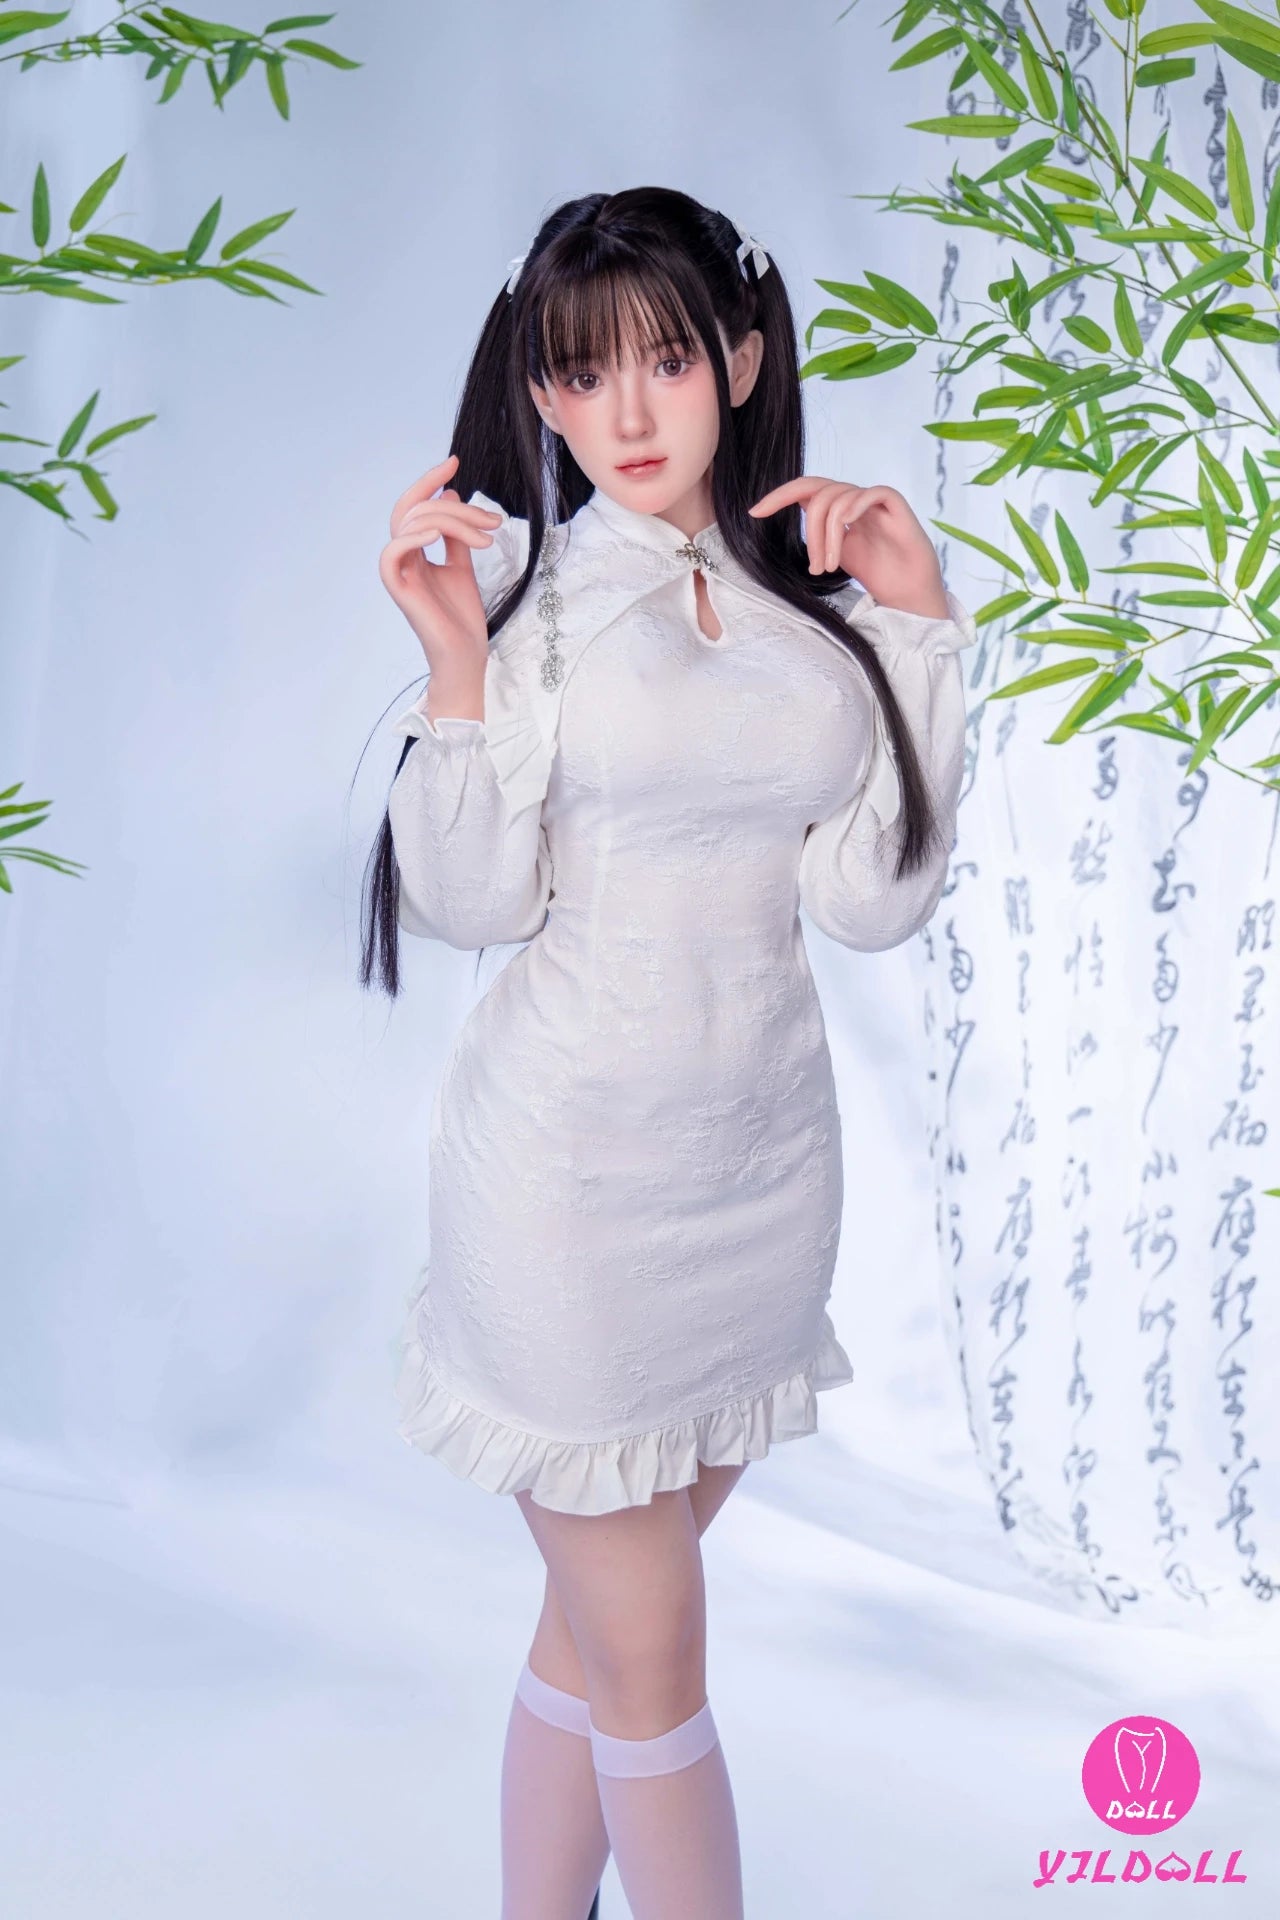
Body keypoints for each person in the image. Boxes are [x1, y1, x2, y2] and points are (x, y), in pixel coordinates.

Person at [361, 186, 976, 1919]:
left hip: (758, 1192)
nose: (628, 413)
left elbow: (869, 902)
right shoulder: (533, 618)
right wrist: (454, 666)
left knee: (597, 1639)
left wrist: (920, 630)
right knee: (655, 1668)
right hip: (567, 1200)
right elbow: (472, 900)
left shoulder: (811, 629)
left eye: (669, 360)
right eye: (582, 374)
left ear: (743, 361)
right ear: (539, 397)